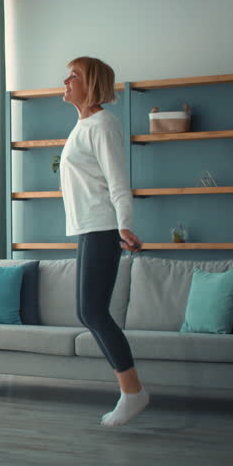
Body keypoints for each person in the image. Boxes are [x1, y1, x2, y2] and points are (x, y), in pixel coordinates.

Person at [59, 56, 149, 426]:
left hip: (103, 226)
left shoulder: (103, 124)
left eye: (74, 76)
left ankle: (133, 392)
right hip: (88, 227)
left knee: (94, 311)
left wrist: (124, 225)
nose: (66, 81)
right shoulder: (82, 126)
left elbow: (117, 180)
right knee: (87, 311)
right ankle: (132, 391)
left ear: (91, 83)